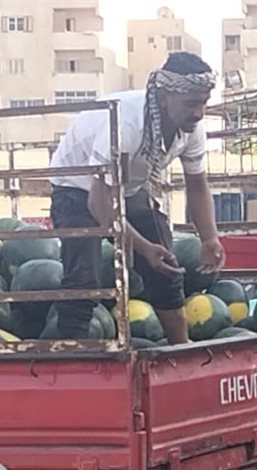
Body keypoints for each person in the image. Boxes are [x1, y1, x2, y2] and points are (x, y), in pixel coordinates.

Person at [47, 51, 225, 343]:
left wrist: (209, 238)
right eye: (191, 104)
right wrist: (143, 248)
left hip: (128, 189)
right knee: (85, 281)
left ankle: (180, 352)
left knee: (168, 269)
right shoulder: (126, 124)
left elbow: (197, 185)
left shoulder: (190, 129)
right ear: (164, 96)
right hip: (77, 189)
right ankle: (73, 358)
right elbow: (98, 203)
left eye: (204, 103)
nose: (199, 113)